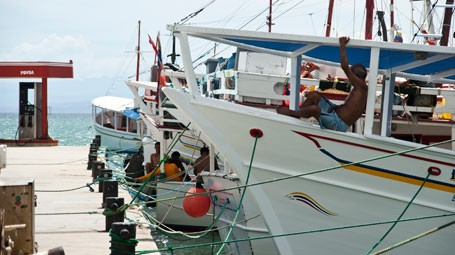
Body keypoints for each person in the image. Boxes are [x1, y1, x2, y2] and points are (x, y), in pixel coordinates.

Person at [276, 36, 368, 132]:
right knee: (314, 95)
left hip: (337, 124)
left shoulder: (361, 87)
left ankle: (292, 113)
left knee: (315, 109)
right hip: (334, 113)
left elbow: (344, 66)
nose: (350, 76)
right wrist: (335, 108)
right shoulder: (360, 87)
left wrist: (342, 45)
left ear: (356, 76)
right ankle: (297, 115)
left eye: (351, 74)